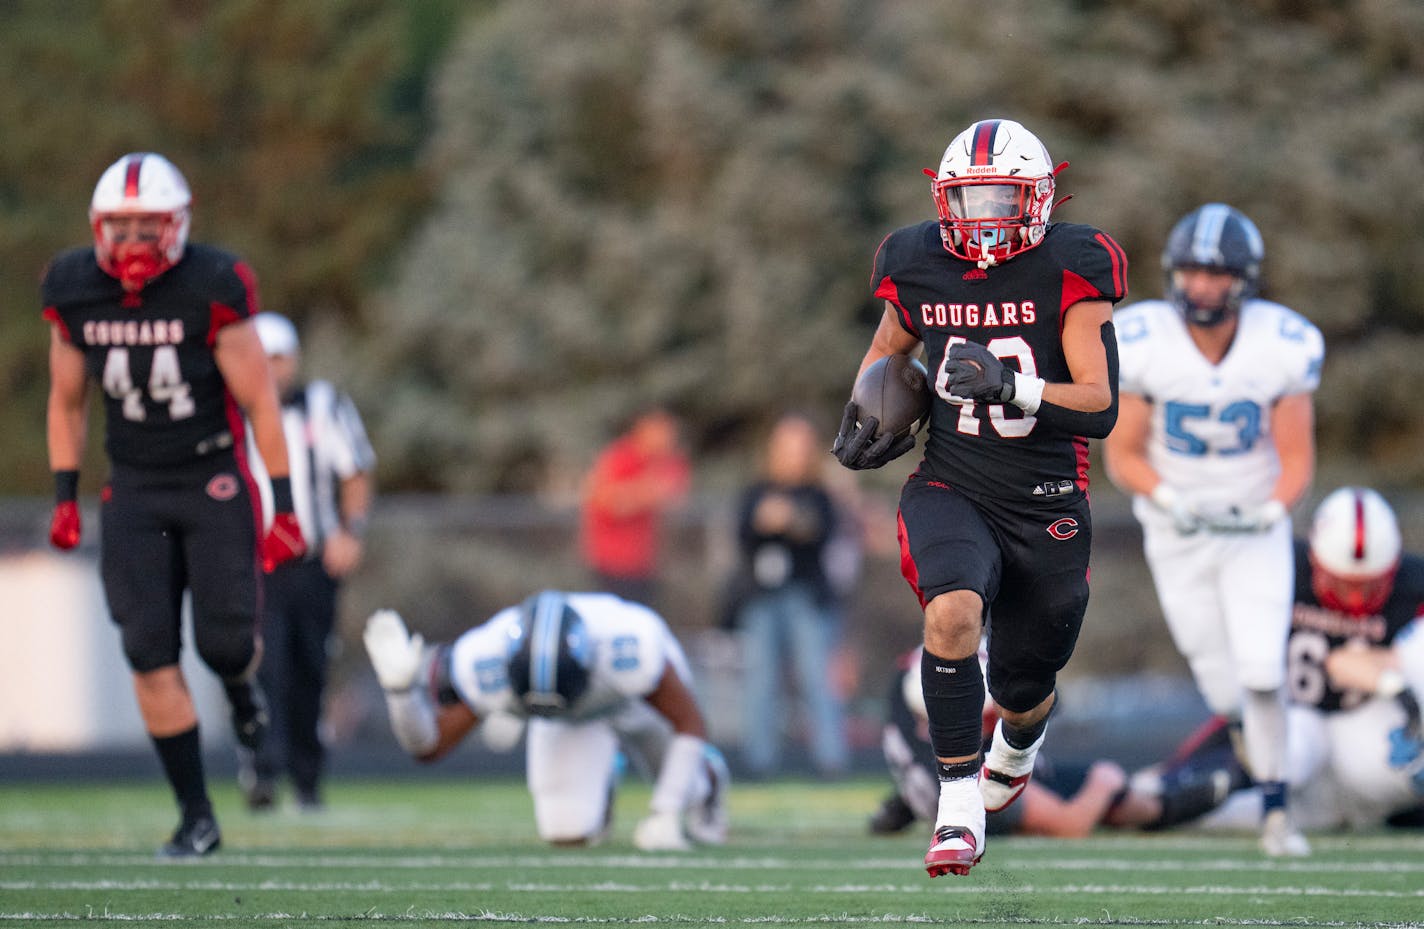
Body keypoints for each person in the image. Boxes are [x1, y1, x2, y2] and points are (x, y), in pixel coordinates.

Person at [833, 117, 1127, 876]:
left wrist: (1013, 384)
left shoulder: (1073, 262)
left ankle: (1019, 742)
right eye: (971, 198)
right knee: (952, 608)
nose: (986, 215)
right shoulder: (916, 260)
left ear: (1038, 198)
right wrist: (871, 409)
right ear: (944, 200)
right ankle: (956, 803)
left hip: (1048, 499)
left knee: (1024, 686)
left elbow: (1100, 405)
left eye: (1004, 197)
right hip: (952, 482)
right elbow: (888, 352)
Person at [42, 152, 306, 857]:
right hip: (131, 485)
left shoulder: (211, 283)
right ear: (98, 228)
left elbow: (259, 401)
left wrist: (282, 505)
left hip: (211, 478)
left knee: (225, 644)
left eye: (146, 227)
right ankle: (197, 815)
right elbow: (66, 400)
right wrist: (65, 493)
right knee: (148, 651)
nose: (131, 245)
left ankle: (242, 693)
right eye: (119, 228)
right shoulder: (73, 287)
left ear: (178, 225)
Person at [1103, 203, 1324, 856]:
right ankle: (1250, 746)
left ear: (1243, 280)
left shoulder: (1281, 343)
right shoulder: (1143, 338)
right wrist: (1170, 498)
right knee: (1224, 684)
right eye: (1192, 272)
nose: (1201, 286)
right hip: (1177, 532)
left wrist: (1271, 509)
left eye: (1216, 274)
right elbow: (1124, 454)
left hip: (1253, 525)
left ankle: (1278, 809)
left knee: (1262, 669)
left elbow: (1298, 455)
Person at [361, 590, 729, 850]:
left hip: (632, 703)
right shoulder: (486, 659)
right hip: (567, 723)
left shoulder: (630, 647)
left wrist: (665, 812)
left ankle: (709, 780)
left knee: (687, 785)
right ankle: (601, 779)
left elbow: (690, 722)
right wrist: (401, 694)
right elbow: (430, 747)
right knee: (567, 832)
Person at [869, 646, 1232, 839]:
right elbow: (1069, 824)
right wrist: (1101, 785)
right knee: (1115, 792)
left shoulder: (909, 692)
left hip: (931, 790)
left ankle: (1178, 788)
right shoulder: (973, 774)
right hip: (980, 796)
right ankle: (1201, 792)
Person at [238, 311, 376, 812]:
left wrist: (350, 530)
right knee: (264, 664)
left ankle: (307, 776)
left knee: (310, 667)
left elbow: (356, 472)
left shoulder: (324, 405)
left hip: (312, 561)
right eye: (262, 358)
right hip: (255, 563)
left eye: (279, 358)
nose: (272, 369)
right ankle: (262, 766)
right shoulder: (232, 411)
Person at [729, 412, 849, 778]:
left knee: (817, 679)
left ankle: (832, 761)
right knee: (761, 681)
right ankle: (758, 762)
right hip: (762, 598)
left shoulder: (819, 494)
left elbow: (822, 532)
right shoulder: (754, 491)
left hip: (806, 597)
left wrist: (790, 520)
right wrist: (763, 521)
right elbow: (742, 537)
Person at [578, 406, 690, 608]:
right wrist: (645, 492)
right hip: (613, 565)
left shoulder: (669, 461)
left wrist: (636, 494)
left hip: (649, 565)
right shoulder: (621, 457)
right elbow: (607, 500)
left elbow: (676, 496)